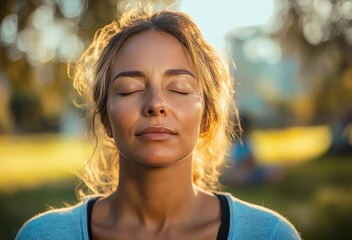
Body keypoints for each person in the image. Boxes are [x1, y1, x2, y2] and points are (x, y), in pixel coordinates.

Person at [16, 7, 301, 240]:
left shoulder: (269, 234)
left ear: (207, 115)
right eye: (129, 89)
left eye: (178, 88)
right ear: (105, 118)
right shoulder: (43, 235)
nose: (155, 104)